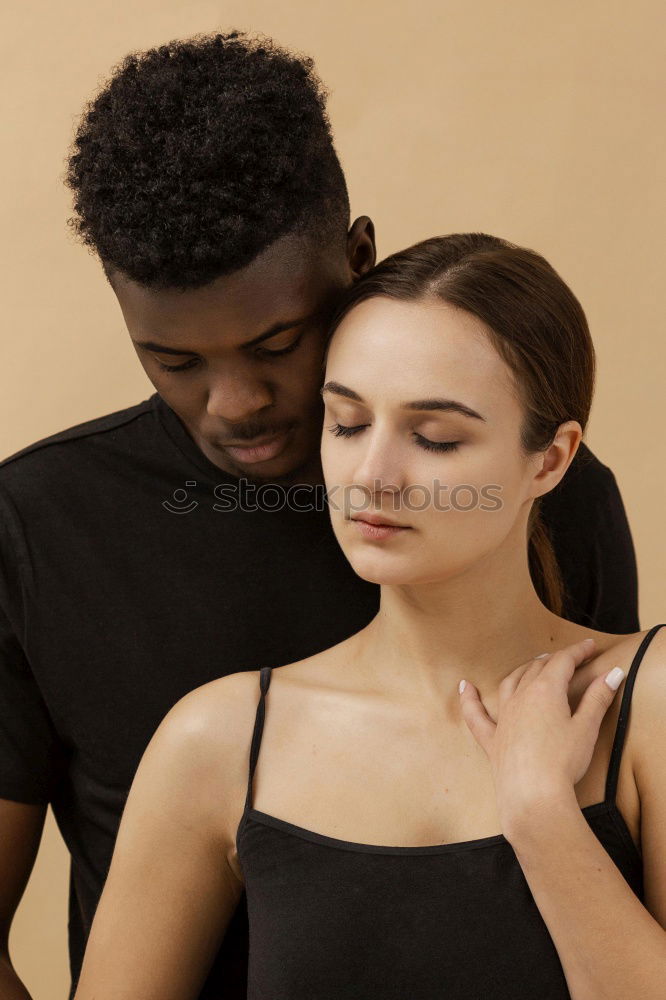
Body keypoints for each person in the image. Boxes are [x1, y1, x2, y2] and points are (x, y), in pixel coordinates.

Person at [0, 33, 640, 1000]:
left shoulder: (552, 499)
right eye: (175, 362)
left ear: (357, 258)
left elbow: (607, 830)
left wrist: (541, 809)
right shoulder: (41, 526)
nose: (235, 403)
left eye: (277, 344)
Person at [71, 232, 666, 1000]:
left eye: (435, 437)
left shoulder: (645, 705)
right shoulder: (218, 740)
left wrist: (543, 816)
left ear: (550, 460)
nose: (371, 477)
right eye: (346, 424)